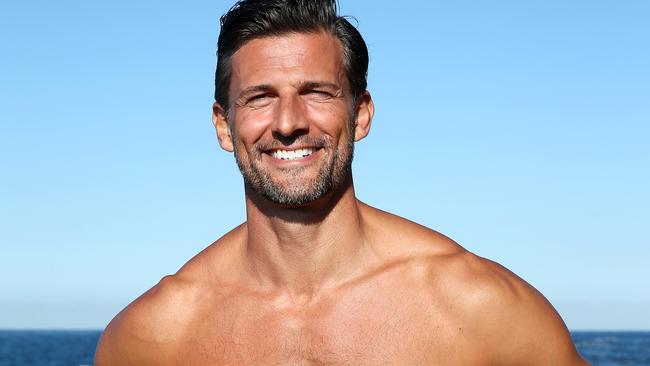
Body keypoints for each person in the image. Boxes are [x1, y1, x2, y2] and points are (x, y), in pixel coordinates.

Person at [95, 0, 588, 364]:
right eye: (261, 97)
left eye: (317, 92)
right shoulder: (153, 338)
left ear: (361, 115)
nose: (288, 122)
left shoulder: (483, 311)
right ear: (224, 125)